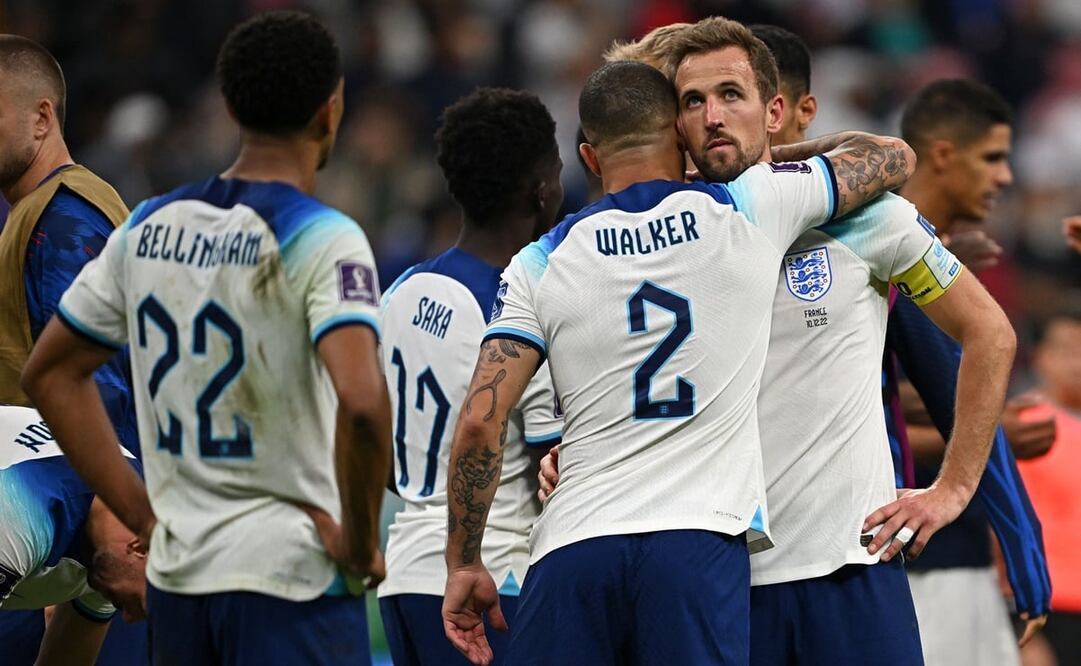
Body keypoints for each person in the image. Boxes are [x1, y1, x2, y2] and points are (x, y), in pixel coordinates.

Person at [540, 21, 1016, 665]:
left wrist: (954, 487)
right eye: (692, 102)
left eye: (731, 95)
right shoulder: (668, 240)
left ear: (775, 110)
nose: (712, 117)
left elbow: (989, 332)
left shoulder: (869, 216)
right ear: (673, 125)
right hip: (725, 581)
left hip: (852, 565)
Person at [444, 26, 914, 662]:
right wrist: (773, 149)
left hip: (571, 548)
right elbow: (889, 155)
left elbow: (478, 422)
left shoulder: (537, 261)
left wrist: (464, 562)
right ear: (680, 136)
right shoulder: (748, 206)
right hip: (696, 544)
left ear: (588, 157)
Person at [21, 11, 391, 666]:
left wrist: (140, 512)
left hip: (182, 576)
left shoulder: (149, 225)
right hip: (291, 576)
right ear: (330, 110)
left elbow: (49, 374)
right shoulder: (323, 235)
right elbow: (362, 404)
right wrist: (361, 543)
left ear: (229, 106)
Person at [377, 87, 563, 666]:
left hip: (405, 576)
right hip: (489, 584)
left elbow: (381, 454)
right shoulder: (518, 309)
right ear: (541, 191)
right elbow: (551, 468)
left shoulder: (400, 291)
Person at [889, 79, 1052, 665]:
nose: (1005, 177)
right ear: (941, 154)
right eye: (991, 157)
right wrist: (990, 427)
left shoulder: (942, 261)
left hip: (962, 554)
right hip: (912, 560)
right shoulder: (866, 250)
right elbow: (874, 399)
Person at [0, 34, 142, 664]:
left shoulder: (64, 215)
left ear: (42, 116)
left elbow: (95, 381)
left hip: (72, 513)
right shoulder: (38, 210)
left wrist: (105, 517)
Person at [0, 405, 146, 666]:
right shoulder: (22, 516)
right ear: (141, 549)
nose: (130, 619)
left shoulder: (116, 551)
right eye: (144, 602)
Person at [1017, 309, 1081, 666]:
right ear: (1040, 357)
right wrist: (1015, 618)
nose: (1078, 362)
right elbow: (998, 527)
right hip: (1046, 610)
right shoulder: (1021, 428)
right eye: (1067, 350)